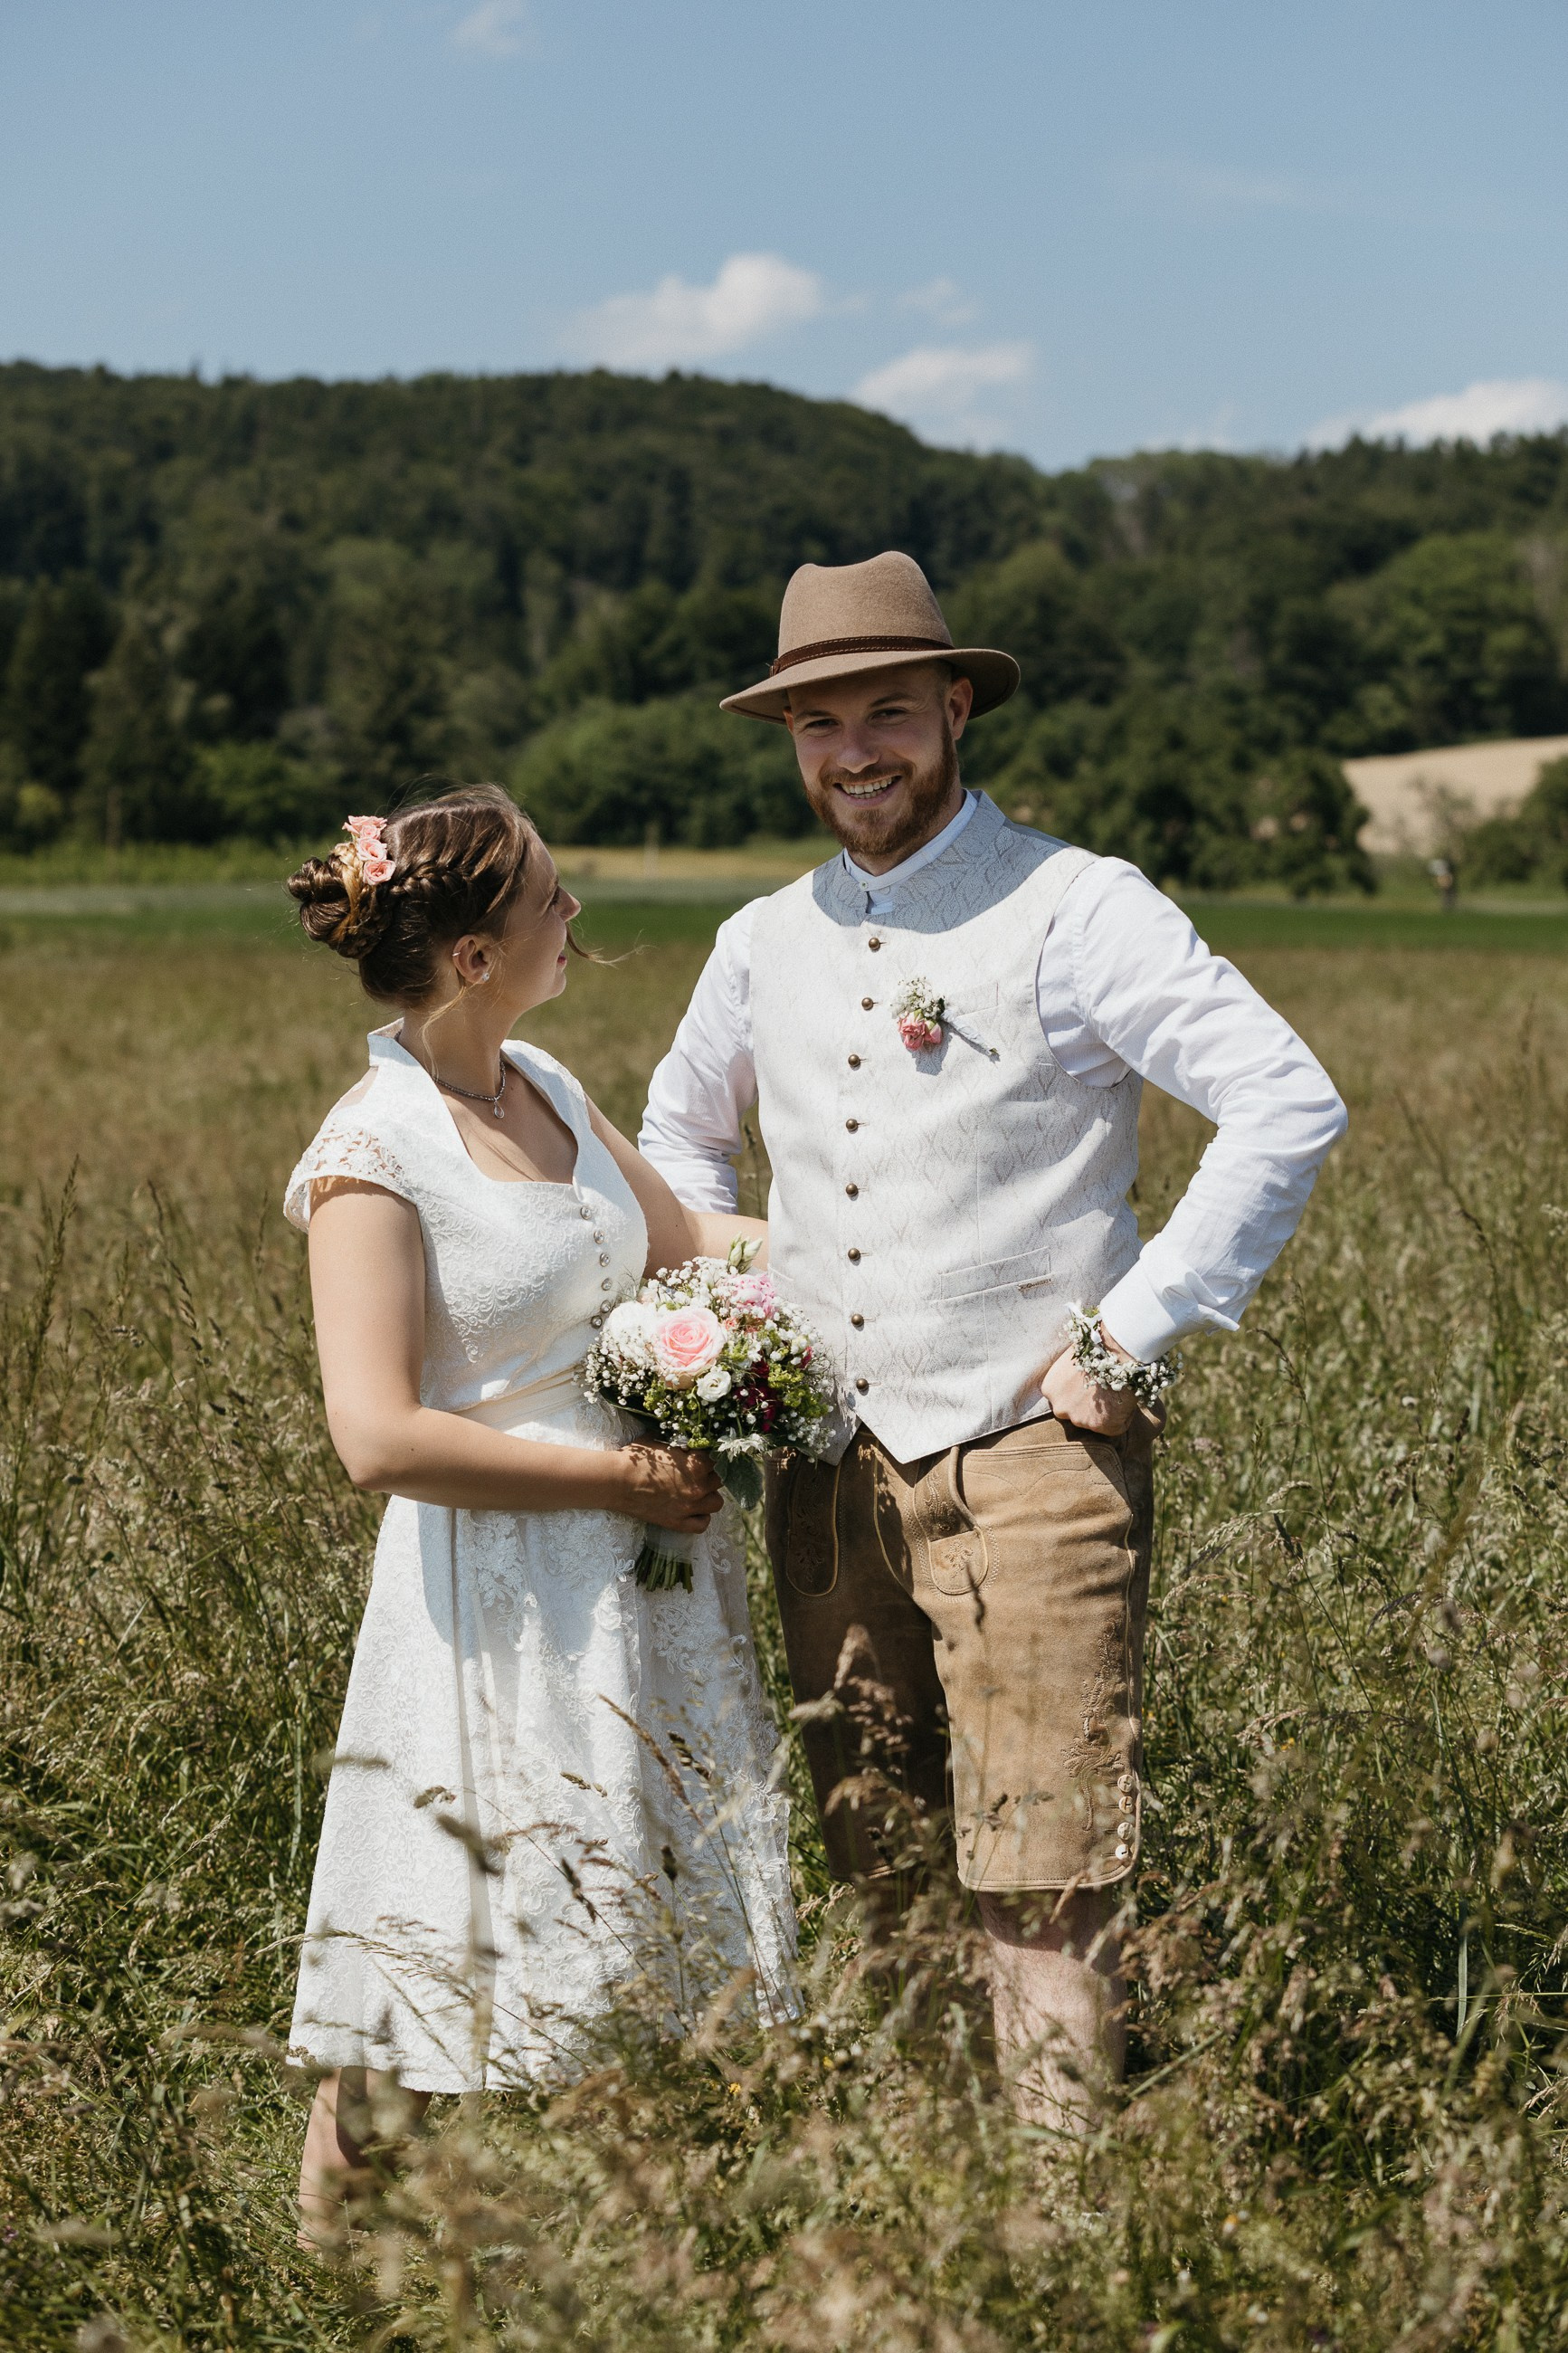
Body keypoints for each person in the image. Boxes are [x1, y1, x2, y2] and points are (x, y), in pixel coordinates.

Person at [639, 552, 1348, 2133]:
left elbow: (1285, 1103)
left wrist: (1135, 1329)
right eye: (817, 723)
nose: (853, 751)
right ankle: (929, 2222)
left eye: (886, 710)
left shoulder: (1076, 905)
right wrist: (730, 1325)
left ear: (955, 706)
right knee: (878, 1868)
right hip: (821, 1473)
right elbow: (677, 1141)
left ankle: (1065, 2234)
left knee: (1040, 1874)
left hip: (1031, 1456)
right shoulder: (759, 938)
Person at [282, 786, 794, 2246]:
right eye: (550, 903)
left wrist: (894, 1249)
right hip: (492, 1584)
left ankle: (641, 2254)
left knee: (648, 1935)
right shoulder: (371, 1151)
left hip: (643, 1580)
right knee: (424, 1977)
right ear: (471, 958)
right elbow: (375, 1435)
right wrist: (619, 1477)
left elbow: (689, 1239)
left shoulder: (548, 1083)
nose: (575, 919)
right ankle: (334, 2284)